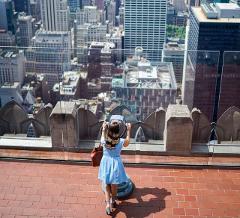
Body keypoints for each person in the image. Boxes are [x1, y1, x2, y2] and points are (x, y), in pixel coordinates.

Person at [98, 121, 131, 215]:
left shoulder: (104, 140)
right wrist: (128, 130)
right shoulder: (120, 141)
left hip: (106, 163)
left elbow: (102, 136)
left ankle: (107, 204)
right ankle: (113, 201)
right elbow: (127, 142)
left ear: (109, 129)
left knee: (107, 184)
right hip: (116, 164)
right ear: (118, 131)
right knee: (114, 185)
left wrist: (104, 128)